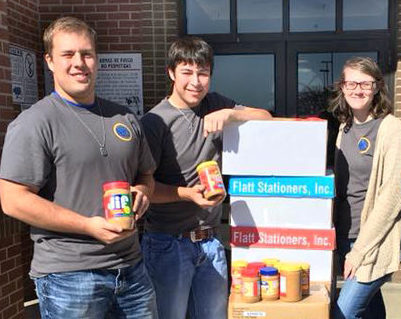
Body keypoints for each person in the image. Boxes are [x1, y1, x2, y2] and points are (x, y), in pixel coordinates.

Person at [0, 17, 158, 318]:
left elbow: (145, 174)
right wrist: (87, 225)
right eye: (67, 54)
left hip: (132, 270)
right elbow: (12, 199)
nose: (79, 63)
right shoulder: (35, 122)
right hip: (70, 276)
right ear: (49, 61)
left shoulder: (123, 117)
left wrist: (142, 192)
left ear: (96, 59)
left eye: (86, 53)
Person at [141, 36, 272, 319]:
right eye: (187, 72)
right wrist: (188, 194)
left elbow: (265, 117)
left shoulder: (214, 103)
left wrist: (229, 114)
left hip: (211, 242)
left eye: (203, 73)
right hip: (168, 243)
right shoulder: (154, 122)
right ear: (171, 73)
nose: (195, 81)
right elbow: (144, 188)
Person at [329, 57, 401, 319]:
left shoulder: (391, 128)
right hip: (345, 233)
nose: (357, 89)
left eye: (365, 83)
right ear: (342, 87)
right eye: (351, 83)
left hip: (372, 240)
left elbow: (393, 195)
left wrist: (359, 250)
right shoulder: (345, 129)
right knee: (371, 310)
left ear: (377, 87)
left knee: (343, 312)